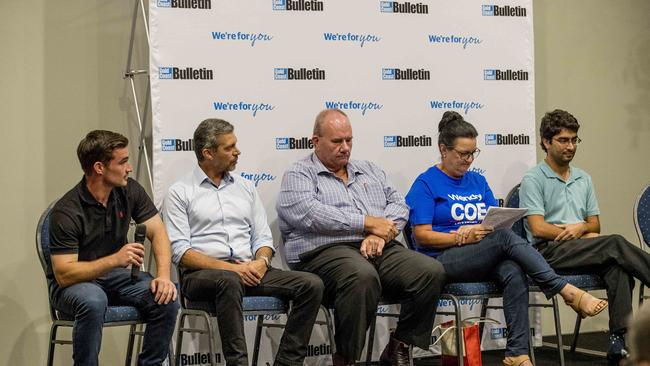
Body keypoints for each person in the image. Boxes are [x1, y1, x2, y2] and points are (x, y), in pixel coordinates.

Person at [405, 111, 609, 366]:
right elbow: (421, 236)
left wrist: (485, 229)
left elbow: (494, 219)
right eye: (462, 154)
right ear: (443, 149)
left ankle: (516, 353)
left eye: (473, 153)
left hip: (481, 254)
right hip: (443, 260)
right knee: (503, 238)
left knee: (513, 269)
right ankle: (565, 291)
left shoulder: (477, 181)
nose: (469, 160)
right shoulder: (426, 183)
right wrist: (459, 237)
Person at [276, 108, 446, 366]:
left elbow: (399, 206)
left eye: (349, 140)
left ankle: (399, 345)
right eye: (337, 141)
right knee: (361, 275)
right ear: (315, 141)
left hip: (377, 247)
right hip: (323, 252)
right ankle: (346, 358)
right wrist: (367, 224)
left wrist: (380, 235)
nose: (345, 147)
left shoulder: (369, 169)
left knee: (429, 271)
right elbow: (309, 213)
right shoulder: (299, 173)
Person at [163, 118, 324, 366]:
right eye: (229, 147)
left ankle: (288, 362)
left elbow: (263, 238)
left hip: (249, 269)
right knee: (229, 281)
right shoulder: (180, 192)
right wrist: (234, 269)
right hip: (202, 275)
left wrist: (260, 262)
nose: (237, 152)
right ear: (208, 153)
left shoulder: (246, 187)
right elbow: (181, 253)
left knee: (311, 284)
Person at [519, 109, 650, 365]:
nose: (571, 146)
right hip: (547, 252)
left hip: (581, 248)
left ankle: (618, 342)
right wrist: (576, 232)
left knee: (617, 265)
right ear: (546, 142)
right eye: (564, 140)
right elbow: (537, 228)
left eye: (574, 139)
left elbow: (594, 225)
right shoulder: (533, 179)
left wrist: (581, 230)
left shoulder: (583, 178)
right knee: (615, 244)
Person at [48, 130, 179, 366]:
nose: (129, 168)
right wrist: (114, 260)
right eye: (123, 162)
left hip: (117, 278)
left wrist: (163, 276)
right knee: (93, 300)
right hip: (74, 286)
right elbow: (64, 274)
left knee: (166, 297)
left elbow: (158, 232)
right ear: (100, 168)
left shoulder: (129, 190)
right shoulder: (66, 211)